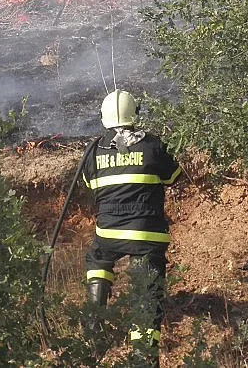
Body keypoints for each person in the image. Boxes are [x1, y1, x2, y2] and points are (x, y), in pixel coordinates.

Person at [81, 89, 181, 363]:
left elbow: (90, 184)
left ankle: (94, 323)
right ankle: (142, 355)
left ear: (103, 118)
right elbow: (173, 176)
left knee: (98, 259)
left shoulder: (93, 151)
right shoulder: (152, 145)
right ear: (134, 114)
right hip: (146, 235)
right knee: (146, 296)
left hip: (108, 233)